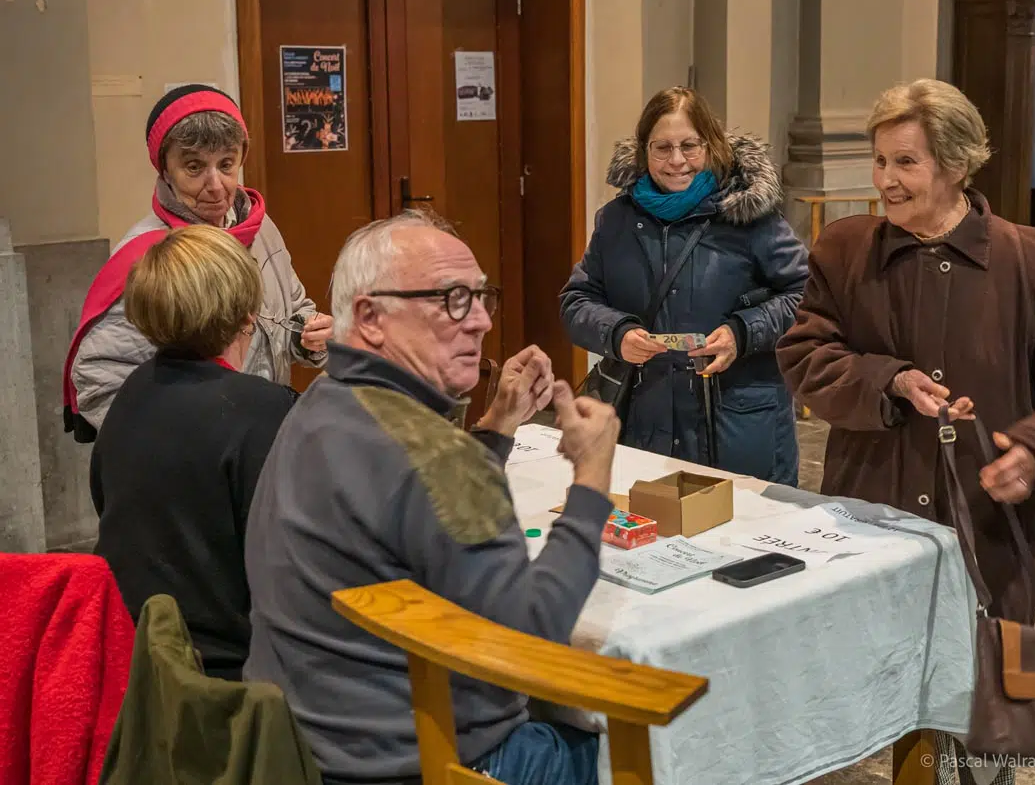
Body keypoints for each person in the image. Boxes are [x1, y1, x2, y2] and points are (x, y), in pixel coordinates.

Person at [775, 79, 1035, 781]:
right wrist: (890, 381)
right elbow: (806, 358)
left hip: (991, 528)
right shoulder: (844, 251)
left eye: (906, 163)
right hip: (875, 516)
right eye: (879, 162)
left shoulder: (1032, 259)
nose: (886, 182)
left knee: (986, 712)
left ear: (957, 164)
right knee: (885, 697)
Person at [242, 211, 620, 785]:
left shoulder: (320, 403)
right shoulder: (436, 456)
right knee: (673, 741)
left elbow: (415, 514)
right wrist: (591, 480)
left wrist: (495, 429)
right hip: (433, 765)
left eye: (480, 297)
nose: (483, 322)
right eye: (453, 299)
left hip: (301, 752)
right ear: (371, 318)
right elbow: (534, 644)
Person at [560, 86, 809, 485]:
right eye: (662, 147)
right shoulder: (617, 222)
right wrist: (617, 333)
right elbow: (577, 300)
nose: (677, 160)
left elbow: (806, 296)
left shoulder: (749, 217)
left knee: (741, 541)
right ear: (644, 151)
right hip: (645, 421)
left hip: (738, 425)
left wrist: (742, 332)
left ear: (710, 146)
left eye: (689, 145)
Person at [63, 84, 332, 442]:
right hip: (199, 463)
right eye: (194, 167)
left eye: (227, 164)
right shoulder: (148, 255)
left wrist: (307, 336)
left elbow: (291, 309)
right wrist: (188, 447)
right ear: (165, 170)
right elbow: (100, 380)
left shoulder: (260, 228)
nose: (217, 186)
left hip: (260, 440)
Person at [90, 224, 297, 681]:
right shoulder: (262, 407)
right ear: (248, 316)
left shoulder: (133, 390)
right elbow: (290, 562)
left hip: (130, 657)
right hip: (222, 676)